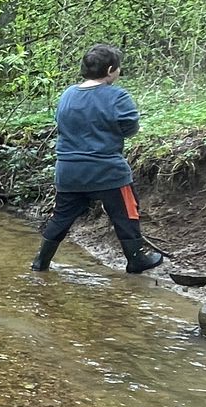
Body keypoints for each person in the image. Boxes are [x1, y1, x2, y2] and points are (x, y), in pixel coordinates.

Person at [32, 44, 164, 274]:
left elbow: (61, 124)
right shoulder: (117, 96)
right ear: (111, 69)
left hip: (69, 171)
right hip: (107, 171)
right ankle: (136, 259)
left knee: (61, 217)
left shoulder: (68, 94)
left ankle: (40, 262)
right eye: (118, 68)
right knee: (126, 213)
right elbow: (130, 126)